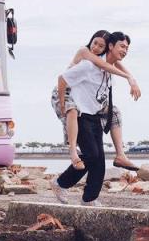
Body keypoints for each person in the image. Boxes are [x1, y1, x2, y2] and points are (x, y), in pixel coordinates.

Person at [53, 31, 134, 204]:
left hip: (94, 114)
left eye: (127, 48)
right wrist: (62, 105)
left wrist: (131, 78)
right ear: (110, 47)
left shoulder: (109, 70)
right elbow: (62, 79)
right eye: (121, 46)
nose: (125, 50)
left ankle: (89, 199)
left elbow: (113, 70)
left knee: (99, 161)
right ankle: (60, 183)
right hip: (80, 114)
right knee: (91, 155)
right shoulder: (89, 65)